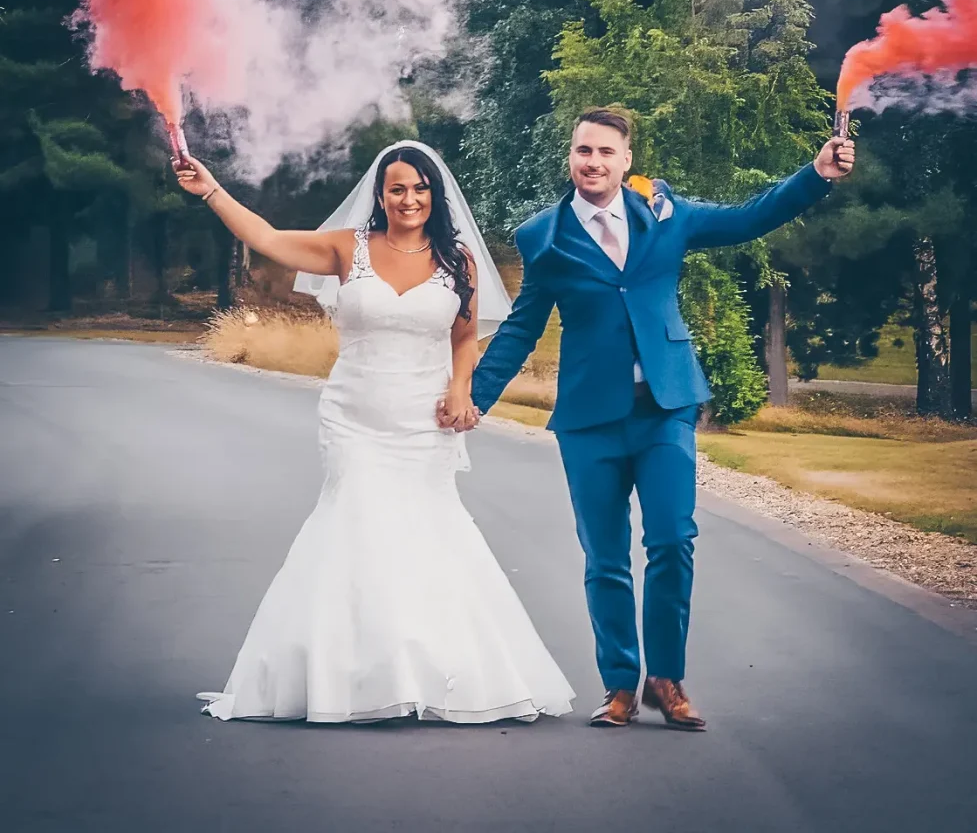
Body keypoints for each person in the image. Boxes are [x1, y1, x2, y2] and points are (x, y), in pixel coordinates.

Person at [463, 107, 855, 730]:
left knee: (673, 540)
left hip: (666, 408)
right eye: (581, 151)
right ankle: (620, 685)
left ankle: (666, 680)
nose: (591, 162)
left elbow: (749, 218)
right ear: (571, 156)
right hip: (590, 419)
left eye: (604, 153)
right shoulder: (543, 235)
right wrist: (475, 396)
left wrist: (816, 174)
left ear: (625, 161)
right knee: (605, 556)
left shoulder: (668, 216)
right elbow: (523, 325)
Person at [175, 140, 574, 723]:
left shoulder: (456, 260)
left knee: (426, 531)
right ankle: (348, 677)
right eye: (397, 188)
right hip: (354, 415)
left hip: (423, 417)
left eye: (419, 188)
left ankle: (431, 671)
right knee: (355, 523)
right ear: (380, 194)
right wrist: (211, 190)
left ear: (434, 195)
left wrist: (462, 387)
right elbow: (267, 238)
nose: (408, 199)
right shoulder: (346, 248)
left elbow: (465, 337)